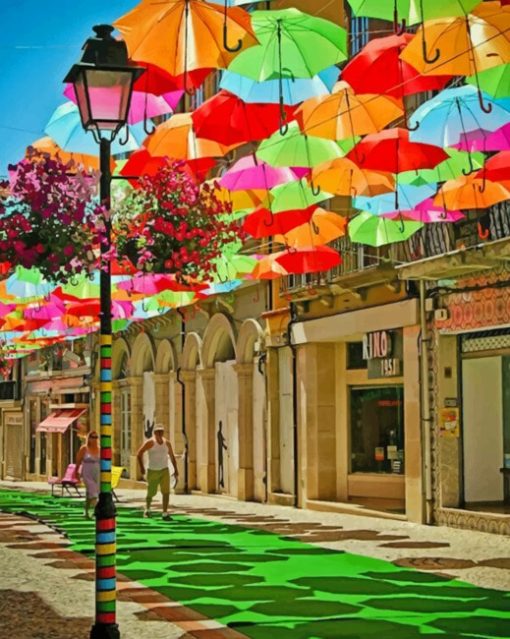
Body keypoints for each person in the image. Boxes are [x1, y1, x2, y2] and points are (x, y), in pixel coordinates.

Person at [137, 424, 178, 520]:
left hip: (164, 470)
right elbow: (139, 453)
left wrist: (176, 470)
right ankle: (147, 509)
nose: (160, 433)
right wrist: (142, 467)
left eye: (161, 432)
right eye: (158, 432)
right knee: (151, 492)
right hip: (153, 470)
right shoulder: (150, 442)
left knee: (166, 492)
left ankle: (165, 513)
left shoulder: (167, 443)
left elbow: (172, 457)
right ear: (154, 433)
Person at [74, 431, 100, 519]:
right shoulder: (84, 449)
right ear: (89, 439)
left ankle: (86, 511)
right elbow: (78, 461)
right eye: (92, 437)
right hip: (87, 473)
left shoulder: (100, 449)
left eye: (96, 437)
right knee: (93, 491)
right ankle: (99, 512)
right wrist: (76, 473)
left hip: (97, 473)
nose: (95, 439)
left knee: (91, 493)